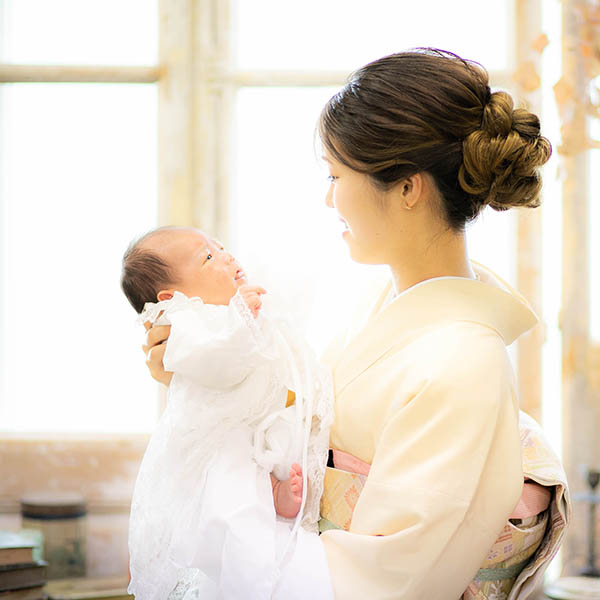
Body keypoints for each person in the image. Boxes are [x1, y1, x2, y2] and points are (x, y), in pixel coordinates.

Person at [143, 48, 553, 598]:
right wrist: (199, 375)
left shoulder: (465, 362)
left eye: (336, 174)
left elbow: (389, 578)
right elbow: (295, 414)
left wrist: (238, 546)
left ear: (408, 188)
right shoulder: (374, 303)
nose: (328, 197)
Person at [121, 227, 334, 600]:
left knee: (256, 474)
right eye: (208, 257)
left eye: (220, 248)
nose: (226, 256)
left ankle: (275, 498)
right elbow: (221, 363)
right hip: (215, 448)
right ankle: (249, 579)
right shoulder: (184, 321)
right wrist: (241, 317)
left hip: (245, 435)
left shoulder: (224, 315)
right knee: (234, 507)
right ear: (172, 297)